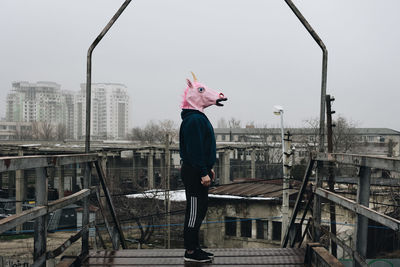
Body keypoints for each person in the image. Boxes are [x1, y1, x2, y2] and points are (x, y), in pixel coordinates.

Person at [179, 72, 227, 262]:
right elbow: (195, 149)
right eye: (201, 91)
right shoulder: (194, 120)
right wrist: (202, 171)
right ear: (194, 95)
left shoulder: (197, 117)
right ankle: (190, 251)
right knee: (194, 210)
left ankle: (195, 247)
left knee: (200, 209)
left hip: (198, 170)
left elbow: (202, 148)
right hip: (194, 172)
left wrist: (208, 168)